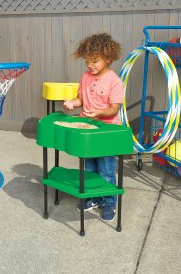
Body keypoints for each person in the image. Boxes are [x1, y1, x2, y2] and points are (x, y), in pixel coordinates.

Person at [63, 33, 123, 222]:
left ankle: (108, 201)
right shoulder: (86, 76)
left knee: (106, 169)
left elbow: (114, 108)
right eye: (87, 62)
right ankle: (94, 197)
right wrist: (73, 102)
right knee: (88, 167)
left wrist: (98, 113)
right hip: (87, 130)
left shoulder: (114, 81)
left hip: (106, 132)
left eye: (95, 61)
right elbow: (82, 99)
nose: (90, 65)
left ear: (108, 58)